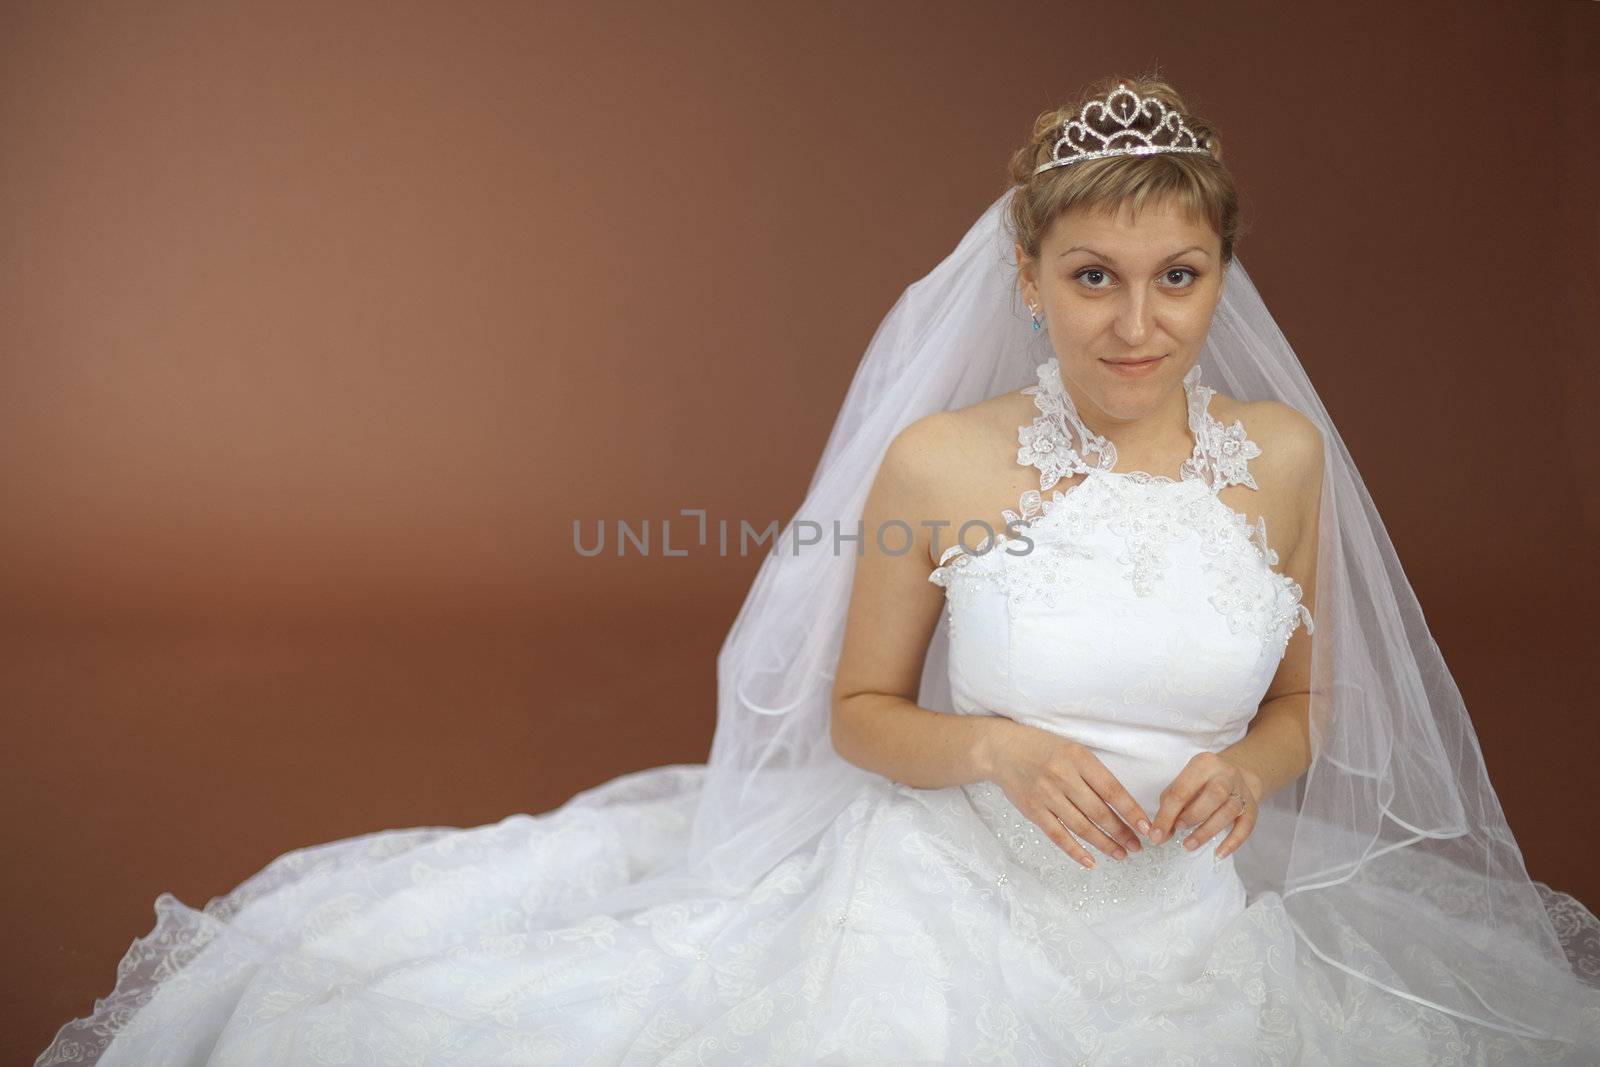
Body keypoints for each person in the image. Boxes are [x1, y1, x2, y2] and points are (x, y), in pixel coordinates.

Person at [37, 75, 1600, 1066]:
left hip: (1190, 905)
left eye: (1178, 278)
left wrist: (1250, 775)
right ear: (1029, 279)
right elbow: (861, 707)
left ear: (1223, 280)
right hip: (951, 891)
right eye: (1095, 279)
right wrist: (990, 744)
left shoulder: (1282, 460)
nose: (1138, 325)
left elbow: (1303, 703)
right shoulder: (945, 461)